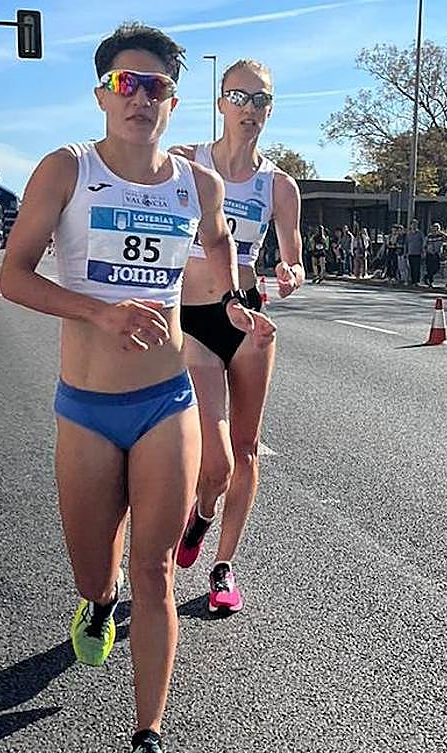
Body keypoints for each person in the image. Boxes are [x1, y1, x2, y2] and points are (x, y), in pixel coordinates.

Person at [0, 24, 275, 753]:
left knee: (153, 572)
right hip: (86, 408)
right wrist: (101, 313)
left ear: (173, 101)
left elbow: (221, 252)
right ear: (102, 94)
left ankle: (148, 744)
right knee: (102, 573)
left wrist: (239, 305)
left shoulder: (199, 187)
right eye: (127, 84)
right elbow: (13, 276)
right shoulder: (66, 169)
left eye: (154, 87)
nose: (141, 98)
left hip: (166, 402)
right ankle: (93, 602)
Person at [168, 57, 299, 615]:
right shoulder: (185, 164)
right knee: (215, 459)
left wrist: (290, 274)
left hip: (247, 317)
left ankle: (223, 566)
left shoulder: (279, 185)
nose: (250, 110)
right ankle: (199, 512)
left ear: (270, 109)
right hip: (191, 319)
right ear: (220, 103)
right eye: (239, 97)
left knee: (246, 450)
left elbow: (291, 256)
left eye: (261, 99)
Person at [424, 222, 447, 286]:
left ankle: (427, 277)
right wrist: (425, 251)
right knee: (429, 268)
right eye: (434, 228)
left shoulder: (440, 236)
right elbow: (425, 244)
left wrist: (441, 232)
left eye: (437, 228)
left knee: (436, 268)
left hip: (437, 253)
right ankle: (430, 281)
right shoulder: (429, 236)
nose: (435, 230)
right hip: (429, 253)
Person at [404, 220, 423, 286]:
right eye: (413, 224)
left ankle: (417, 281)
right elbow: (406, 244)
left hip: (418, 253)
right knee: (411, 268)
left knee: (417, 268)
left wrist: (423, 251)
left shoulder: (420, 233)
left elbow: (423, 243)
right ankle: (412, 281)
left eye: (415, 224)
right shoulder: (408, 234)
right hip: (410, 253)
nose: (414, 226)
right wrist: (405, 252)